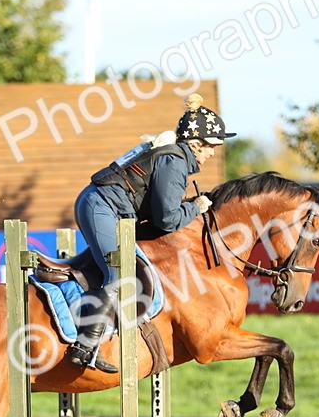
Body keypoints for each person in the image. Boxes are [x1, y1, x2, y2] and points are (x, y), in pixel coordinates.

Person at [68, 93, 235, 373]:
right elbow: (168, 219)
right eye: (210, 146)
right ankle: (85, 347)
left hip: (108, 207)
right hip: (102, 207)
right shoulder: (176, 162)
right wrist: (195, 207)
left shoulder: (175, 156)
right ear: (195, 144)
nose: (213, 152)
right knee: (119, 272)